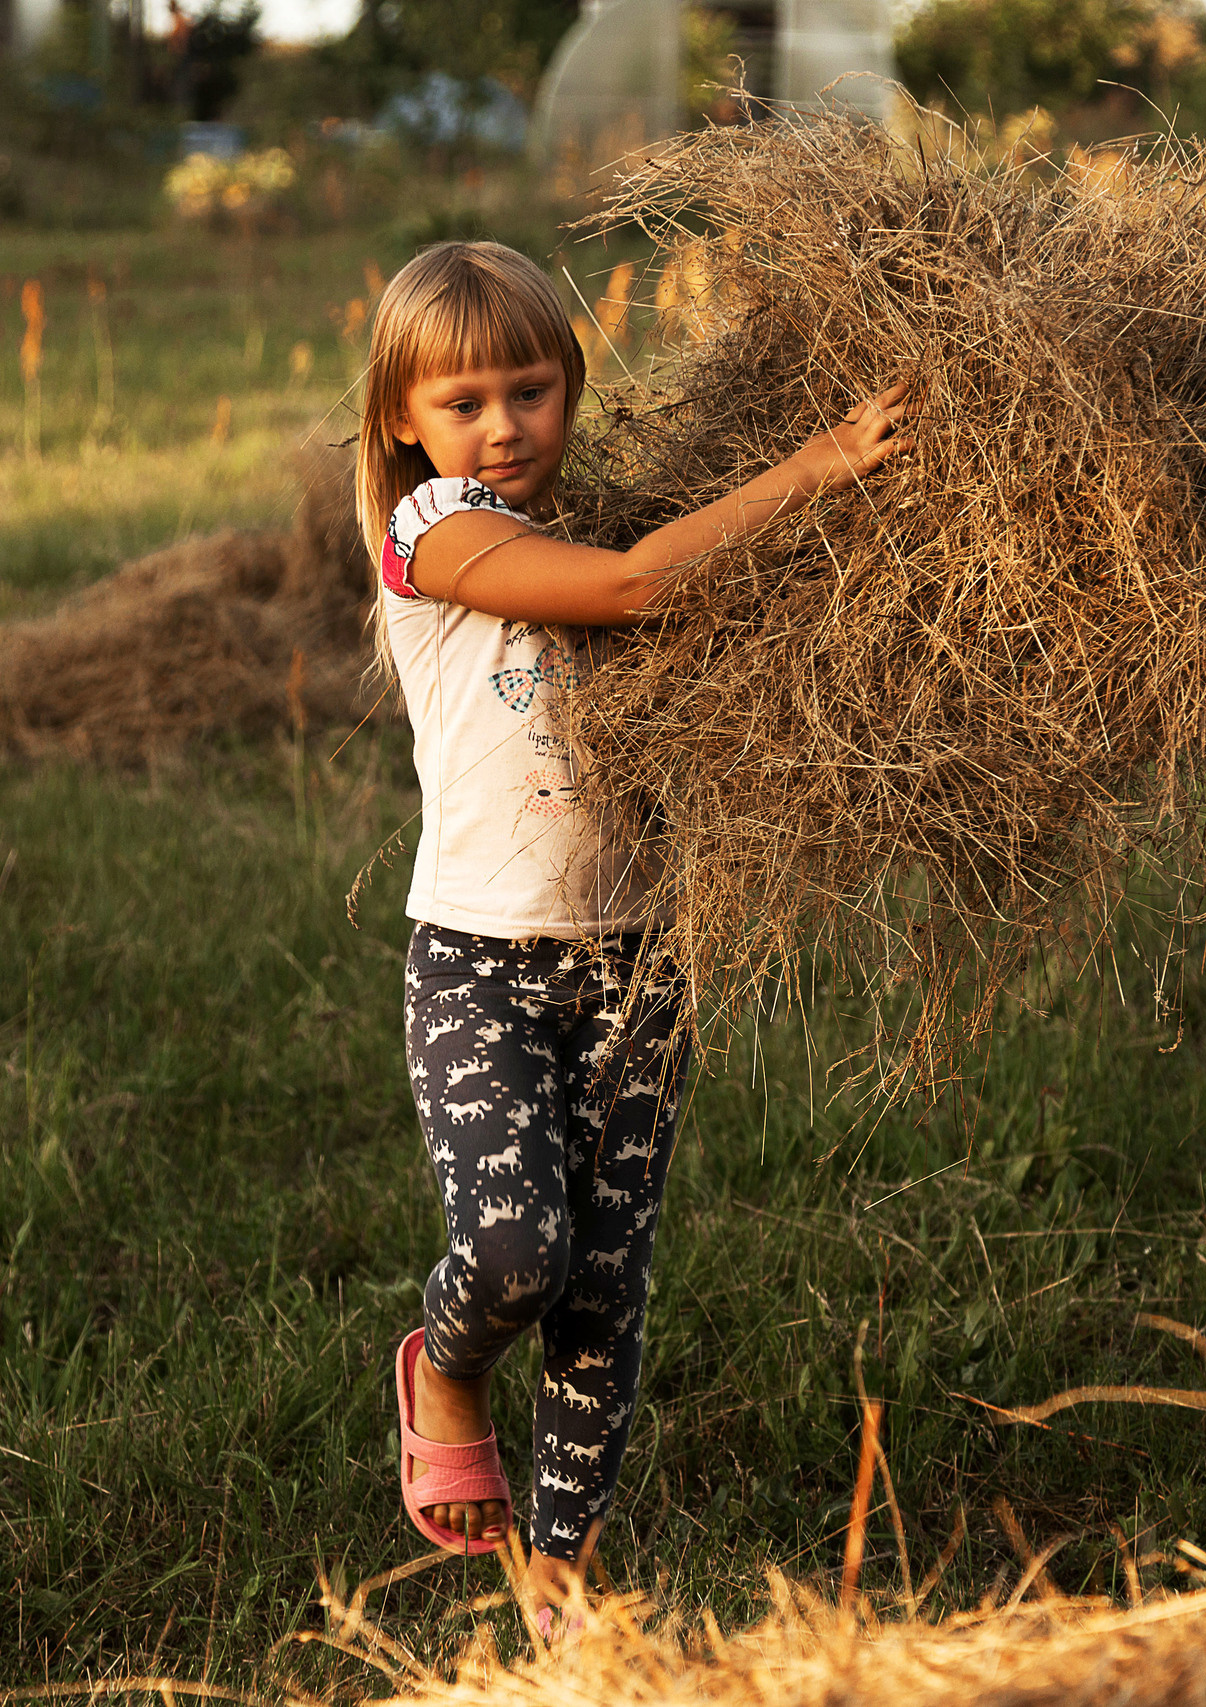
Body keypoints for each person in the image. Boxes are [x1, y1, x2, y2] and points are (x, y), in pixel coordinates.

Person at [357, 241, 910, 1635]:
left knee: (606, 1283)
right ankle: (448, 1371)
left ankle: (560, 1571)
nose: (503, 426)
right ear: (405, 425)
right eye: (467, 402)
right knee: (515, 1250)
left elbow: (691, 584)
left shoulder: (605, 513)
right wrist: (826, 461)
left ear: (571, 388)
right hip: (482, 957)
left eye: (531, 391)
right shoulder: (432, 533)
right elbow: (635, 591)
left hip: (640, 958)